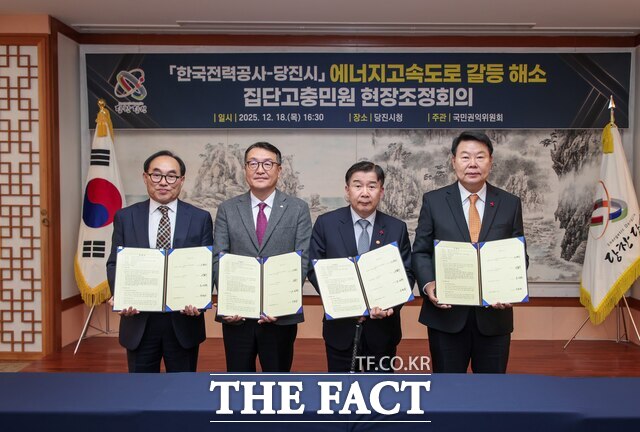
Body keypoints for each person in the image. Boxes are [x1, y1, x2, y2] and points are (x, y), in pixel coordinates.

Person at [412, 130, 527, 374]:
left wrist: (508, 286)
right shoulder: (433, 201)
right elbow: (420, 251)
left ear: (491, 161)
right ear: (453, 161)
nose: (472, 164)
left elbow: (519, 254)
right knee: (448, 387)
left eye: (480, 157)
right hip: (446, 316)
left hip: (494, 318)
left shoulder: (510, 203)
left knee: (492, 388)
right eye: (465, 157)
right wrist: (428, 284)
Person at [106, 150, 214, 373]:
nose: (163, 182)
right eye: (156, 175)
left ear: (181, 180)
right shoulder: (125, 217)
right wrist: (121, 296)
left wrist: (200, 299)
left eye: (171, 176)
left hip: (184, 321)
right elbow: (115, 263)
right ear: (145, 177)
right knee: (141, 389)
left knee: (182, 388)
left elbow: (206, 265)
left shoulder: (200, 218)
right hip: (138, 321)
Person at [213, 142, 312, 372]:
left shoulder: (298, 208)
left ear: (279, 169)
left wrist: (281, 303)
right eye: (253, 163)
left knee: (277, 382)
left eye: (268, 164)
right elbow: (219, 257)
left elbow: (301, 259)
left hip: (280, 317)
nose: (260, 170)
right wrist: (228, 302)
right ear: (245, 169)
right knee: (238, 383)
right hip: (237, 316)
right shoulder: (228, 209)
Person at [308, 161, 414, 372]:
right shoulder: (326, 224)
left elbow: (407, 273)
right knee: (342, 388)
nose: (365, 192)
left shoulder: (396, 228)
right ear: (347, 190)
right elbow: (314, 269)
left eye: (372, 186)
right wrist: (343, 301)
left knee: (381, 389)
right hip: (341, 329)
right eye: (358, 185)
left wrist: (390, 306)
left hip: (383, 331)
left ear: (381, 191)